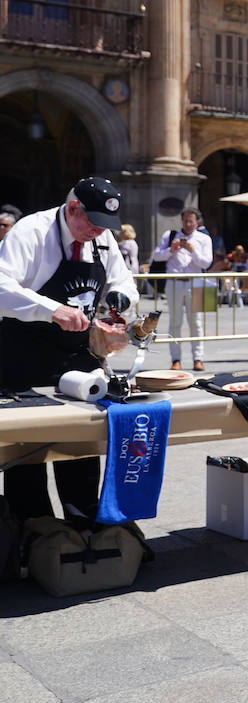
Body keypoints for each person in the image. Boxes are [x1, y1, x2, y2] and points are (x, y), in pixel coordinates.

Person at [0, 177, 138, 525]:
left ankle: (83, 525)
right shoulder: (31, 231)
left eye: (105, 225)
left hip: (77, 360)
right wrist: (51, 310)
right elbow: (1, 286)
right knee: (27, 453)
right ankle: (33, 531)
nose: (98, 231)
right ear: (72, 208)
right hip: (23, 355)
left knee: (80, 444)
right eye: (92, 222)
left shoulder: (102, 237)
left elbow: (123, 279)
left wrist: (120, 297)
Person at [151, 208, 213, 371]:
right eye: (185, 220)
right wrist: (171, 250)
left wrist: (192, 251)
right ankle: (176, 359)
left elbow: (206, 263)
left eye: (191, 221)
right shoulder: (170, 235)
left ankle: (198, 358)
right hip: (174, 282)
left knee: (196, 322)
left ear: (197, 222)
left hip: (196, 283)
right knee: (175, 322)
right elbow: (157, 256)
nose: (187, 224)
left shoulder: (204, 239)